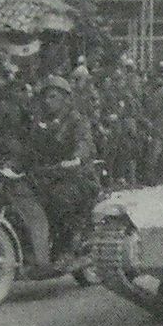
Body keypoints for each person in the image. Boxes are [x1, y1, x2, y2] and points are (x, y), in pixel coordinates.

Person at [25, 75, 98, 258]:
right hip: (47, 175)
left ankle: (65, 246)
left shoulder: (76, 121)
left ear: (65, 99)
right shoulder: (40, 123)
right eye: (45, 97)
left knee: (59, 199)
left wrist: (76, 158)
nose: (48, 102)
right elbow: (29, 146)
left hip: (77, 177)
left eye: (53, 97)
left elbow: (84, 143)